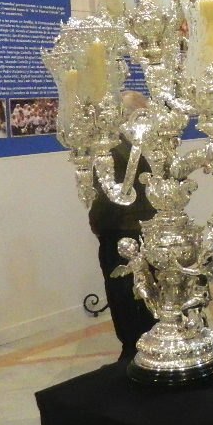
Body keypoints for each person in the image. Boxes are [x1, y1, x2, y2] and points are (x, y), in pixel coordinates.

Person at [88, 92, 157, 362]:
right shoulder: (149, 150)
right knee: (147, 295)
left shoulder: (115, 153)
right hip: (148, 231)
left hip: (121, 235)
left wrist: (98, 226)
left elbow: (105, 201)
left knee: (125, 297)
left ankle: (132, 353)